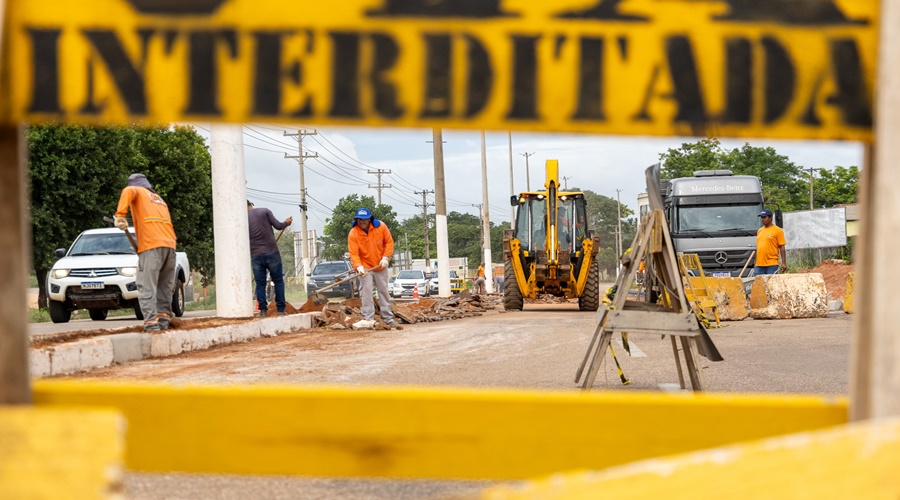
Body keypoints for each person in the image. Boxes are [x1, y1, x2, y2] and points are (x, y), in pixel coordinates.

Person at [115, 173, 177, 332]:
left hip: (151, 245)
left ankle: (151, 324)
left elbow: (128, 190)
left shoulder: (137, 191)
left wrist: (120, 215)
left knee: (146, 286)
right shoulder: (159, 200)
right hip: (169, 245)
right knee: (164, 286)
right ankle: (163, 321)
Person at [347, 207, 395, 325]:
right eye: (360, 219)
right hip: (365, 268)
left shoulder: (381, 227)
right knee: (366, 293)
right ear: (356, 220)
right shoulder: (353, 233)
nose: (362, 222)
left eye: (364, 219)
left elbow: (389, 242)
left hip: (380, 265)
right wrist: (358, 267)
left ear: (370, 219)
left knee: (383, 291)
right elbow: (354, 253)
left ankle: (387, 318)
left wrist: (386, 257)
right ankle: (368, 319)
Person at [248, 200, 292, 317]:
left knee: (260, 284)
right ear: (251, 205)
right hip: (272, 252)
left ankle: (263, 311)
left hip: (255, 255)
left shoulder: (242, 219)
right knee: (278, 281)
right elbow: (279, 226)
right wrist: (287, 223)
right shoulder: (265, 211)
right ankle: (281, 310)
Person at [754, 209, 787, 275]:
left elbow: (782, 247)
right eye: (761, 217)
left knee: (771, 281)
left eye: (764, 217)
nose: (762, 219)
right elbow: (758, 248)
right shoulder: (759, 231)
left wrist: (784, 263)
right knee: (758, 281)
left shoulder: (778, 231)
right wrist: (755, 262)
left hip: (771, 264)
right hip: (759, 265)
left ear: (770, 218)